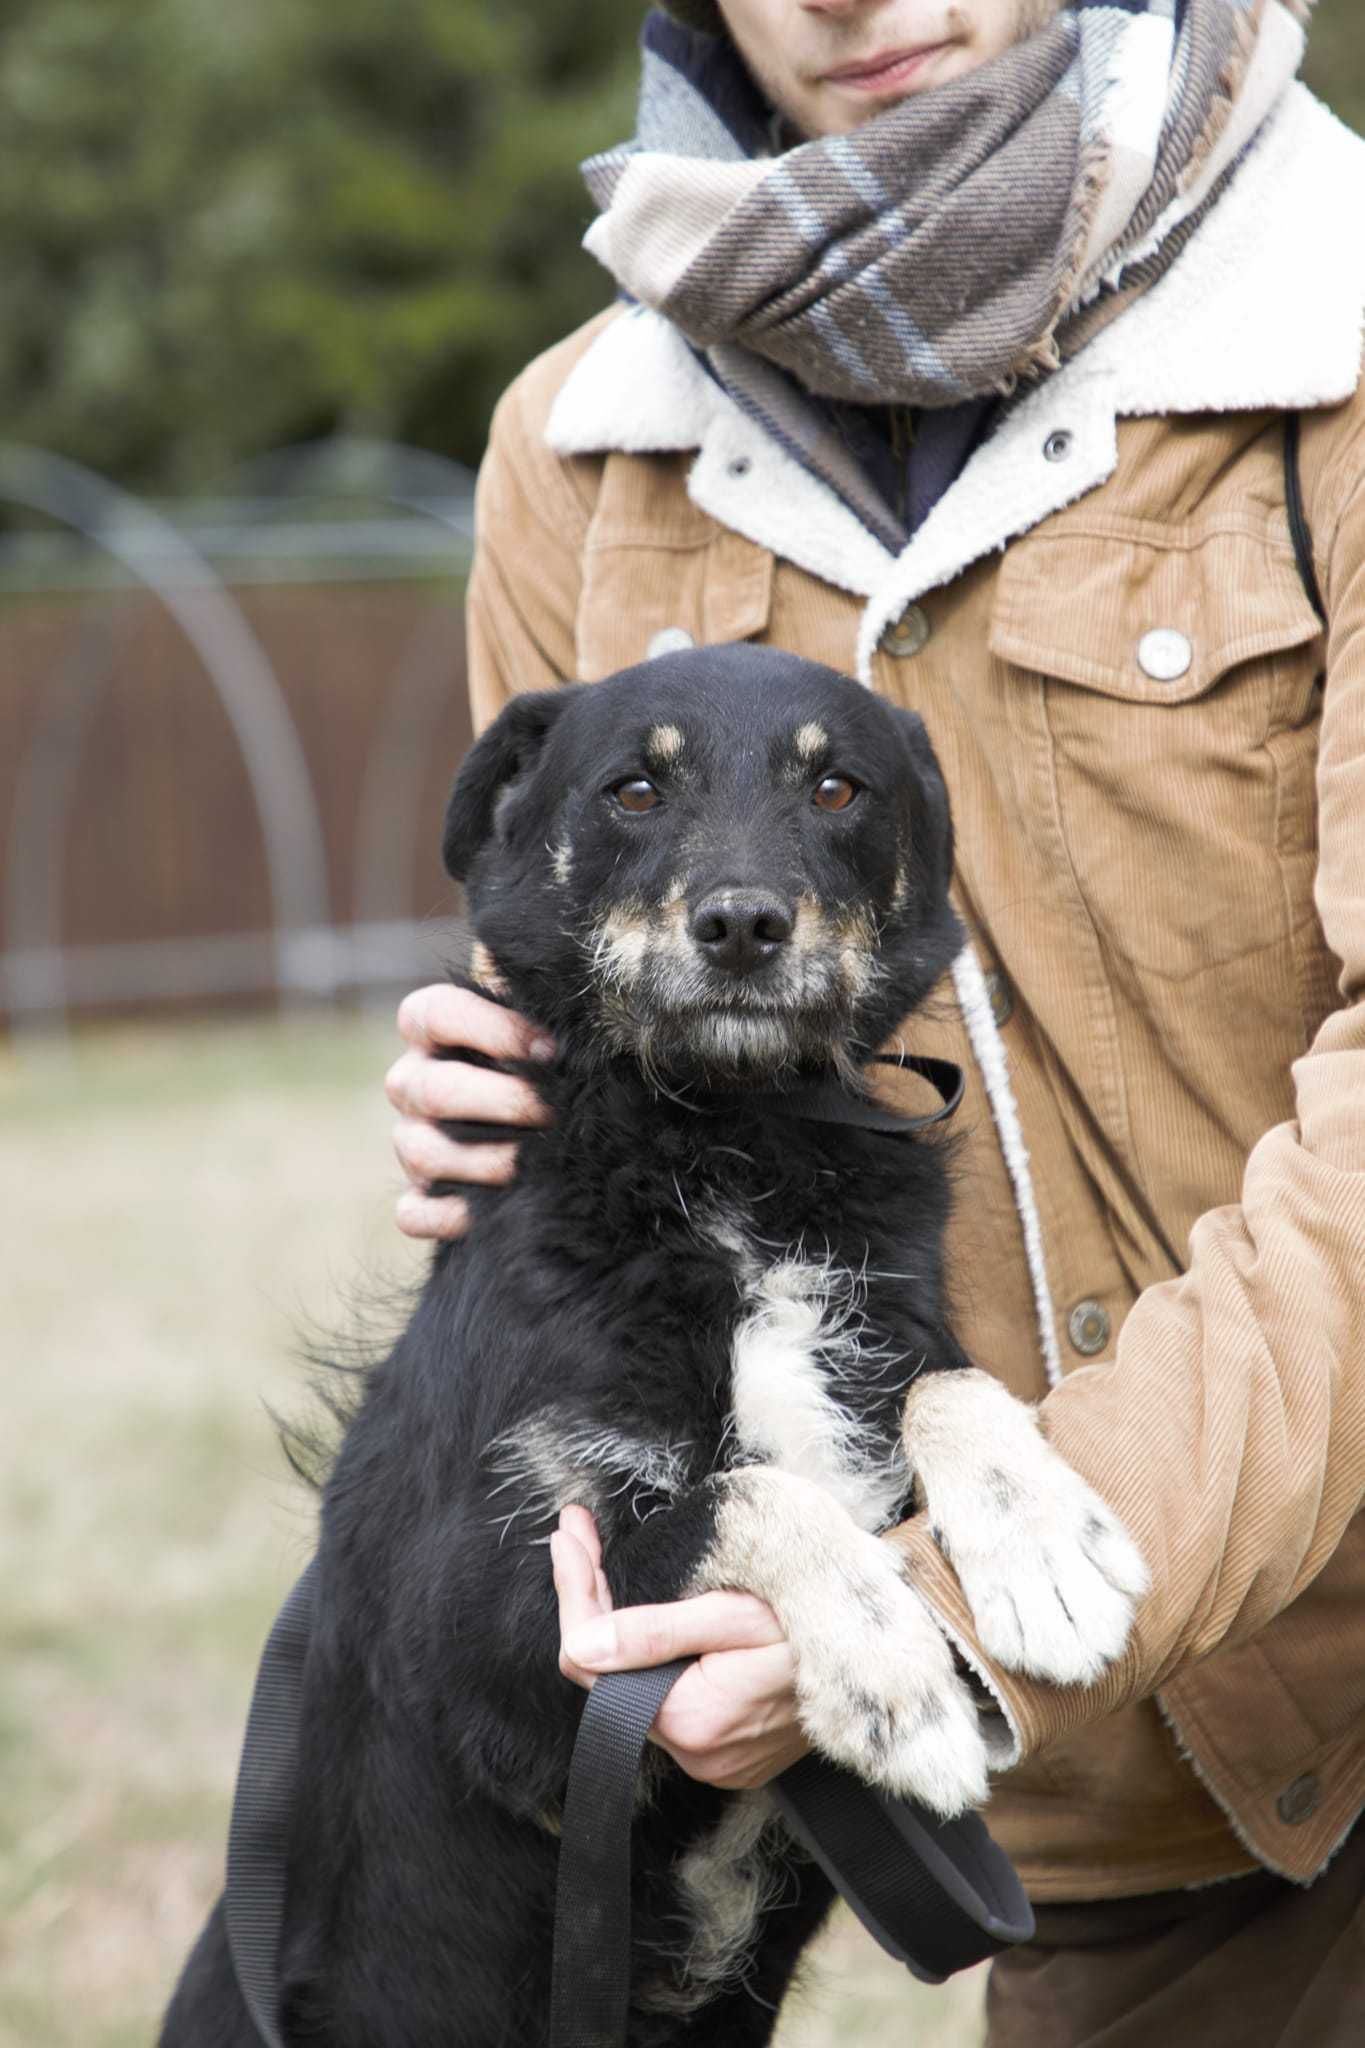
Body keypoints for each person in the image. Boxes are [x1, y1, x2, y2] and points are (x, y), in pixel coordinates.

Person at [383, 1, 1365, 2038]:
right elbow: (559, 1052)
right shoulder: (578, 445)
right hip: (1099, 1815)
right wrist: (500, 1096)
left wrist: (950, 1588)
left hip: (1277, 1655)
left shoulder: (1330, 344)